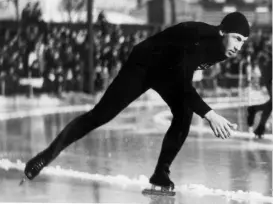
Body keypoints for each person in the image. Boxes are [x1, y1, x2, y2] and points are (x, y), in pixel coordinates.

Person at [24, 12, 249, 191]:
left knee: (184, 115)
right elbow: (183, 82)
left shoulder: (223, 49)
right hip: (143, 65)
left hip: (168, 71)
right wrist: (209, 113)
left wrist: (201, 108)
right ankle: (45, 156)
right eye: (237, 39)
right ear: (222, 32)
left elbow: (181, 78)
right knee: (100, 115)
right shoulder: (197, 37)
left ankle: (161, 174)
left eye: (243, 42)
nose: (239, 47)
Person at [247, 44, 272, 138]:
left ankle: (254, 110)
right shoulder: (264, 56)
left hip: (268, 75)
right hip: (269, 76)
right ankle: (260, 128)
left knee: (270, 105)